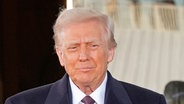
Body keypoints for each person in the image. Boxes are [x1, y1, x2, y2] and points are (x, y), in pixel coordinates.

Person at [5, 8, 166, 104]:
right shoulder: (21, 103)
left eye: (93, 45)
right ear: (61, 55)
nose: (83, 56)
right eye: (73, 48)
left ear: (110, 51)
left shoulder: (150, 101)